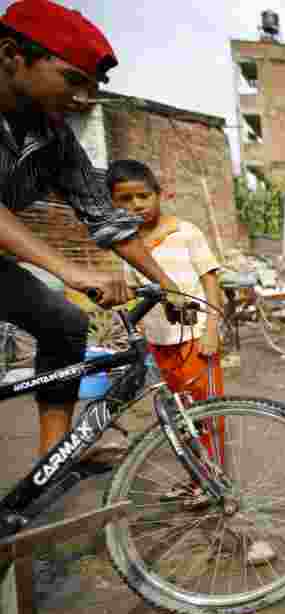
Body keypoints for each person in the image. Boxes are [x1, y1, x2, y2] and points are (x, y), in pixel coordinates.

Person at [0, 0, 182, 465]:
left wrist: (168, 284)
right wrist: (73, 271)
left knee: (66, 324)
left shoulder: (54, 135)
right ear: (11, 55)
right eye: (72, 80)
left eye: (91, 87)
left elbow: (107, 218)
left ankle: (52, 459)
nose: (83, 98)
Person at [108, 160, 226, 499]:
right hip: (160, 343)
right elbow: (135, 290)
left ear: (159, 194)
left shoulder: (185, 232)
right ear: (114, 204)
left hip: (195, 338)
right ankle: (196, 480)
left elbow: (210, 279)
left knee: (209, 415)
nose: (136, 205)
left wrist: (212, 329)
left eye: (143, 196)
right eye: (125, 200)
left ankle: (217, 484)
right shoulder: (128, 246)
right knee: (180, 416)